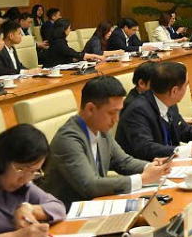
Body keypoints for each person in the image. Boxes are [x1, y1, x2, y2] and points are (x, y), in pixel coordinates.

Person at [41, 76, 171, 206]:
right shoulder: (68, 139)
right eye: (112, 113)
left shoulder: (101, 130)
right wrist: (142, 179)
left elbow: (124, 162)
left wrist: (152, 167)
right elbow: (90, 186)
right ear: (90, 109)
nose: (116, 119)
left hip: (95, 205)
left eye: (118, 112)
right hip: (66, 213)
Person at [115, 61, 192, 160]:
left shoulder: (168, 102)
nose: (186, 89)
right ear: (174, 91)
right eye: (186, 85)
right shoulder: (138, 110)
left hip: (171, 164)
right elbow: (146, 148)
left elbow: (184, 130)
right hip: (146, 171)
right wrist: (191, 150)